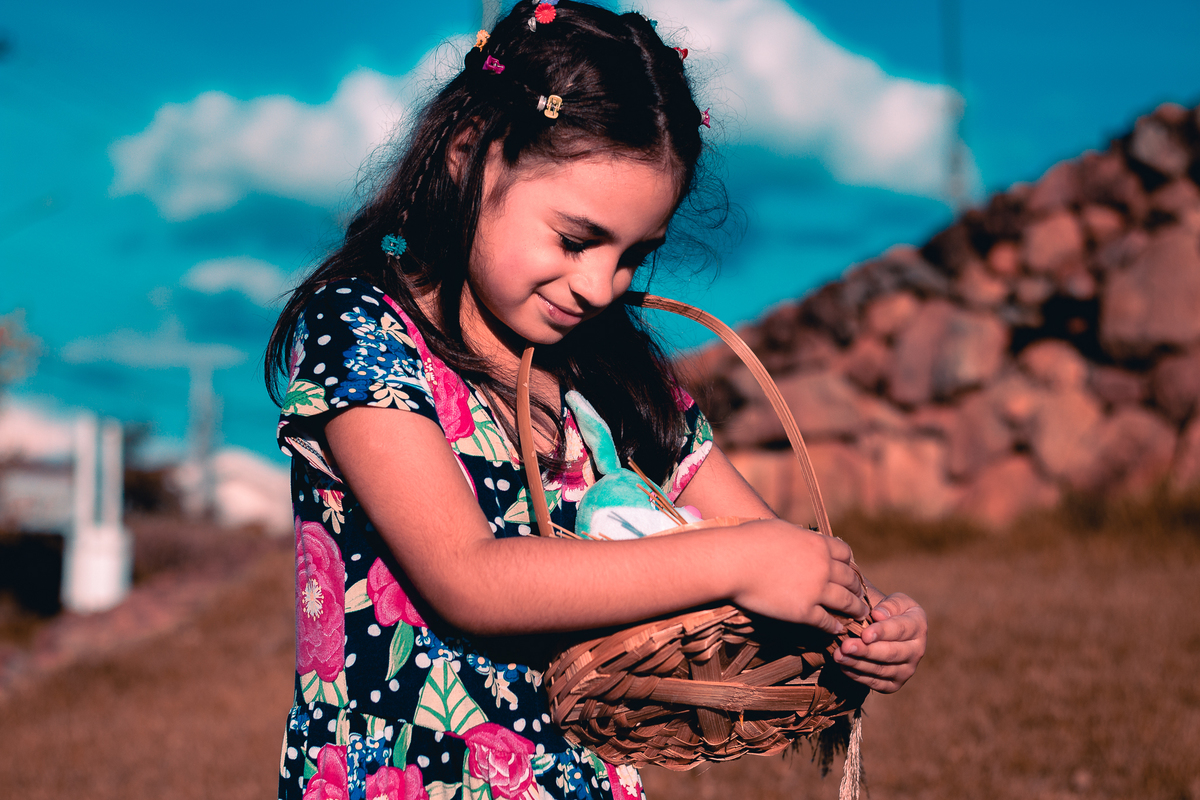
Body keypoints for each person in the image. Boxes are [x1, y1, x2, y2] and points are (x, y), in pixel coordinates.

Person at [265, 3, 927, 798]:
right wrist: (741, 561)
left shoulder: (611, 379)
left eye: (633, 255)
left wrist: (867, 616)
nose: (601, 286)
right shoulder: (364, 329)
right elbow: (469, 578)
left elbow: (766, 542)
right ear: (468, 153)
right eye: (576, 240)